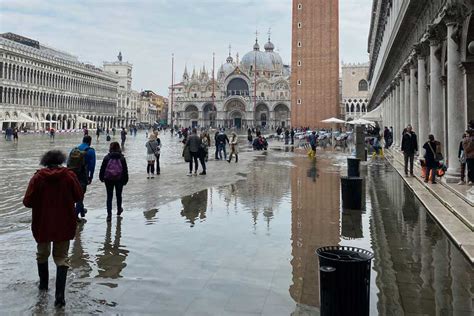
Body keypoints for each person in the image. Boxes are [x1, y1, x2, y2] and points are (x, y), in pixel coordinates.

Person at [23, 150, 84, 307]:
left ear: (45, 162)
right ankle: (59, 297)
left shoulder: (37, 178)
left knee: (42, 255)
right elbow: (78, 196)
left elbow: (27, 202)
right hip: (64, 224)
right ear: (61, 161)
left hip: (42, 224)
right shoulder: (69, 176)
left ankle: (43, 288)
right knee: (62, 258)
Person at [68, 135, 96, 222]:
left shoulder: (74, 149)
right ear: (90, 142)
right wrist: (90, 177)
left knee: (73, 194)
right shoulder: (90, 151)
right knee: (80, 195)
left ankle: (81, 210)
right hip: (83, 176)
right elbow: (92, 165)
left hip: (72, 174)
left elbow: (68, 162)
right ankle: (75, 217)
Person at [99, 142, 129, 222]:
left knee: (109, 196)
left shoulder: (107, 157)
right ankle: (119, 210)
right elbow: (125, 170)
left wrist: (101, 178)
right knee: (119, 195)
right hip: (119, 179)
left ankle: (109, 215)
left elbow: (102, 168)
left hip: (108, 179)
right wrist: (126, 180)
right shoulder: (122, 158)